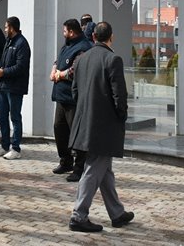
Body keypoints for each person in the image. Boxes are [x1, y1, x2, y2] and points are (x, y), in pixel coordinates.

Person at [67, 21, 133, 232]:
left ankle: (117, 213)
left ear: (93, 37)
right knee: (94, 168)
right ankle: (78, 215)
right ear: (111, 37)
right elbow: (119, 95)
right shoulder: (113, 59)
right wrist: (121, 116)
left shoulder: (81, 58)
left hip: (84, 122)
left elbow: (75, 92)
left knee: (104, 170)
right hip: (104, 125)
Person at [50, 18, 91, 182]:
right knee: (59, 129)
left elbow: (75, 70)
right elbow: (58, 59)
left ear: (72, 32)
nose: (63, 34)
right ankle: (65, 161)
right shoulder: (67, 45)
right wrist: (54, 69)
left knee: (77, 135)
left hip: (74, 99)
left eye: (65, 31)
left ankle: (79, 167)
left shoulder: (84, 47)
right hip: (61, 97)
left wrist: (60, 74)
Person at [0, 16, 30, 160]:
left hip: (15, 88)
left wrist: (4, 72)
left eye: (6, 27)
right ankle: (4, 146)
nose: (5, 30)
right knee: (2, 117)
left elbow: (20, 67)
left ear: (12, 28)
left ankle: (15, 148)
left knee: (15, 117)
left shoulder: (22, 44)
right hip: (3, 86)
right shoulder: (9, 42)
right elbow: (3, 60)